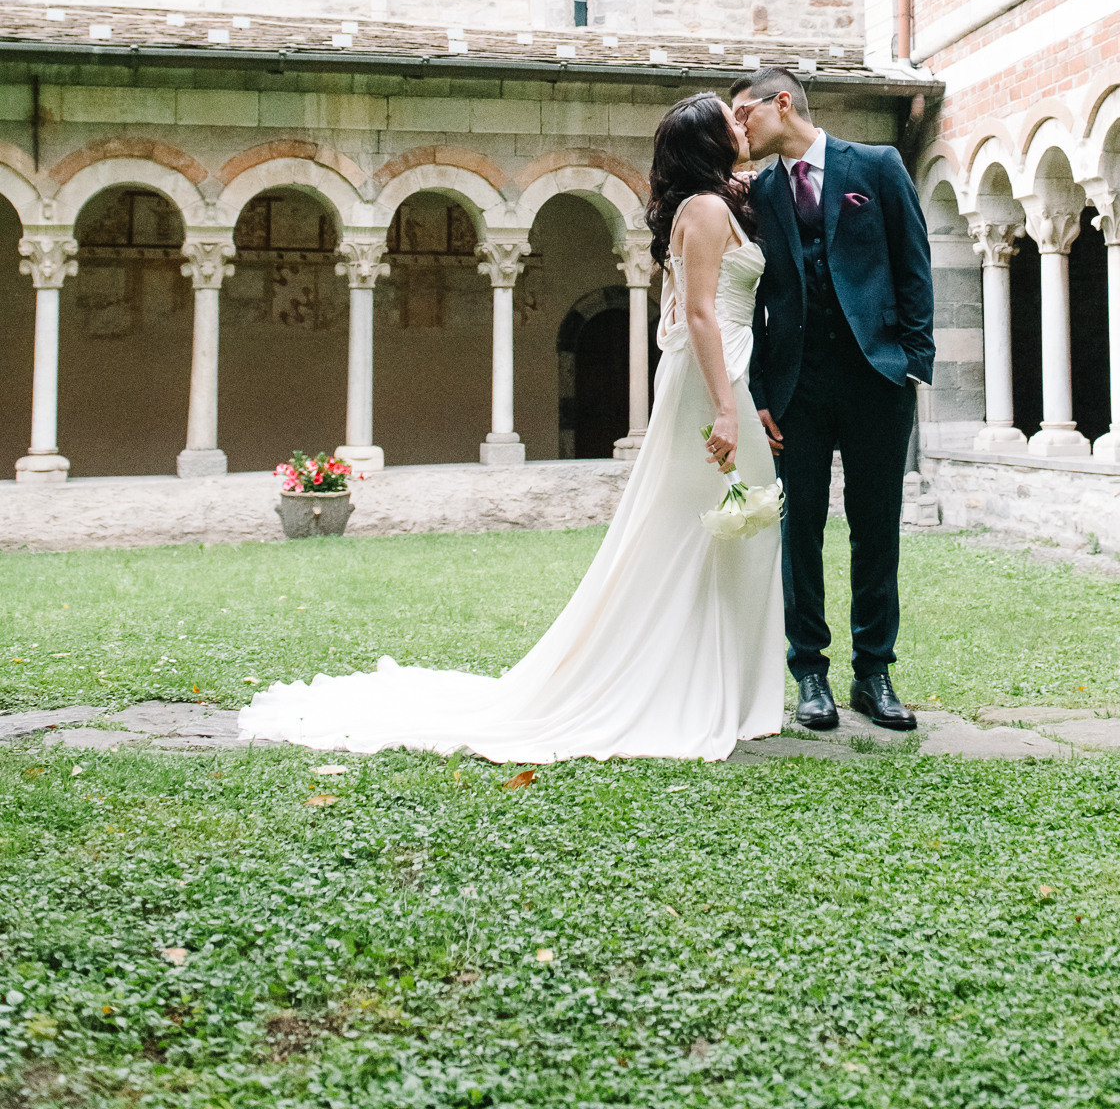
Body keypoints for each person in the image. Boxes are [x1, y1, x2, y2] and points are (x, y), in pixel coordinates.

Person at [238, 94, 782, 763]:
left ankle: (719, 686)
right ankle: (684, 688)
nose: (743, 123)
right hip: (709, 384)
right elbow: (696, 314)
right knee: (697, 535)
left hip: (723, 377)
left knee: (726, 534)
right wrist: (726, 406)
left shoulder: (714, 203)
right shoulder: (703, 211)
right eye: (730, 119)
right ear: (707, 143)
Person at [731, 65, 935, 734]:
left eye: (743, 115)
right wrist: (760, 391)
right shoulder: (759, 191)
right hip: (796, 386)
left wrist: (911, 362)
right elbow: (755, 298)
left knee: (877, 529)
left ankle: (873, 673)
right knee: (801, 530)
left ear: (780, 103)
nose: (739, 128)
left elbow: (912, 263)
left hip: (878, 380)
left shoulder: (875, 166)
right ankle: (809, 674)